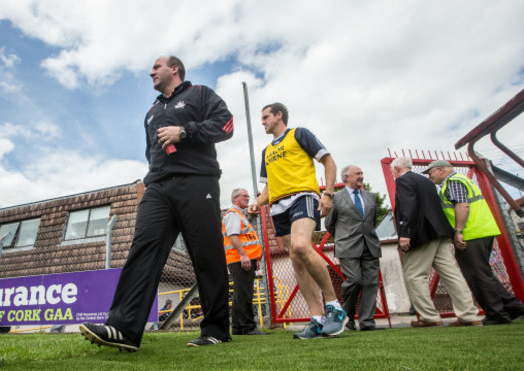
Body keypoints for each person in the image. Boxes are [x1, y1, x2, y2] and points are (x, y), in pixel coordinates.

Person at [80, 56, 234, 351]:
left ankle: (216, 328)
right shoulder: (151, 111)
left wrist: (185, 132)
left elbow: (225, 125)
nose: (151, 71)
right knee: (142, 251)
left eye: (156, 66)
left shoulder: (200, 94)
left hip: (197, 182)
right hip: (158, 187)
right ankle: (123, 328)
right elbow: (151, 151)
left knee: (206, 255)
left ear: (174, 69)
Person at [248, 102, 348, 339]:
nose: (262, 122)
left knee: (302, 246)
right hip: (278, 206)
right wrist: (257, 202)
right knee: (296, 257)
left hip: (303, 196)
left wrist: (328, 194)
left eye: (265, 117)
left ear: (279, 115)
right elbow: (269, 188)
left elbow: (329, 161)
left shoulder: (299, 134)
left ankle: (334, 307)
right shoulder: (266, 152)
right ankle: (316, 319)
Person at [425, 160, 524, 325]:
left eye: (430, 173)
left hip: (471, 234)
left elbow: (462, 206)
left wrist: (458, 231)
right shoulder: (463, 180)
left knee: (477, 276)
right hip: (483, 231)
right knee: (484, 273)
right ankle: (514, 306)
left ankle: (496, 314)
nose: (429, 177)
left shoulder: (453, 182)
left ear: (440, 170)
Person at [390, 157, 482, 327]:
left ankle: (429, 317)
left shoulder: (403, 181)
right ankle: (469, 314)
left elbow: (408, 207)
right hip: (440, 232)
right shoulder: (426, 181)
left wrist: (406, 233)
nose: (393, 175)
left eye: (392, 171)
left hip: (422, 234)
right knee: (451, 273)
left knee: (414, 275)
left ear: (396, 168)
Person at [324, 165, 383, 331]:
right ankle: (347, 315)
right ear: (346, 177)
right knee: (354, 280)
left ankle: (367, 323)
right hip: (347, 246)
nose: (361, 176)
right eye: (358, 173)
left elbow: (371, 221)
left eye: (362, 173)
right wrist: (343, 236)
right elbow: (329, 224)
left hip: (370, 245)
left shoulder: (371, 197)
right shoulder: (336, 198)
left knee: (371, 283)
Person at [223, 188, 270, 336]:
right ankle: (248, 327)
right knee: (245, 293)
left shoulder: (239, 215)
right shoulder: (233, 214)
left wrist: (253, 258)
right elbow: (233, 237)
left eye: (248, 196)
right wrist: (243, 256)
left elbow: (245, 239)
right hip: (239, 259)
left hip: (243, 259)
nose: (248, 198)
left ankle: (238, 328)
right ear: (235, 198)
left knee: (241, 293)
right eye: (244, 196)